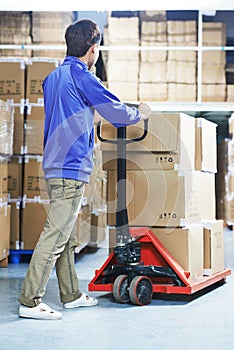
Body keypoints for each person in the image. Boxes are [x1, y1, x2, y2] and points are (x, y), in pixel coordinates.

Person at [18, 18, 152, 320]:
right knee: (55, 236)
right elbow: (114, 110)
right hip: (71, 166)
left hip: (53, 164)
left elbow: (74, 116)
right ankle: (29, 301)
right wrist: (138, 114)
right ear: (93, 48)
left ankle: (71, 295)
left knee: (65, 236)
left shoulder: (53, 78)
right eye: (98, 48)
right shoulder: (83, 76)